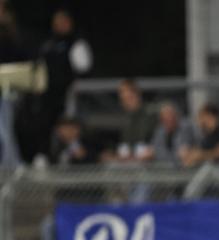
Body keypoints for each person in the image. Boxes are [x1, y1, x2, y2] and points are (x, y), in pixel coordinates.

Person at [15, 8, 92, 162]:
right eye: (57, 22)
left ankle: (72, 160)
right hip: (45, 98)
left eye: (64, 22)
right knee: (38, 125)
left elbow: (84, 69)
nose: (61, 25)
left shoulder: (76, 43)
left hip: (67, 96)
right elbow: (39, 67)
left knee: (69, 128)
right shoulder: (48, 44)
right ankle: (42, 157)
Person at [107, 79, 155, 162]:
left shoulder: (150, 114)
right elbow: (120, 142)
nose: (123, 97)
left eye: (128, 96)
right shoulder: (123, 117)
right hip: (128, 163)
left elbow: (156, 140)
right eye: (121, 95)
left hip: (149, 162)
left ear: (137, 94)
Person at [182, 103, 219, 167]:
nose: (198, 119)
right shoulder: (205, 134)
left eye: (201, 116)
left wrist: (200, 155)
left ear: (210, 116)